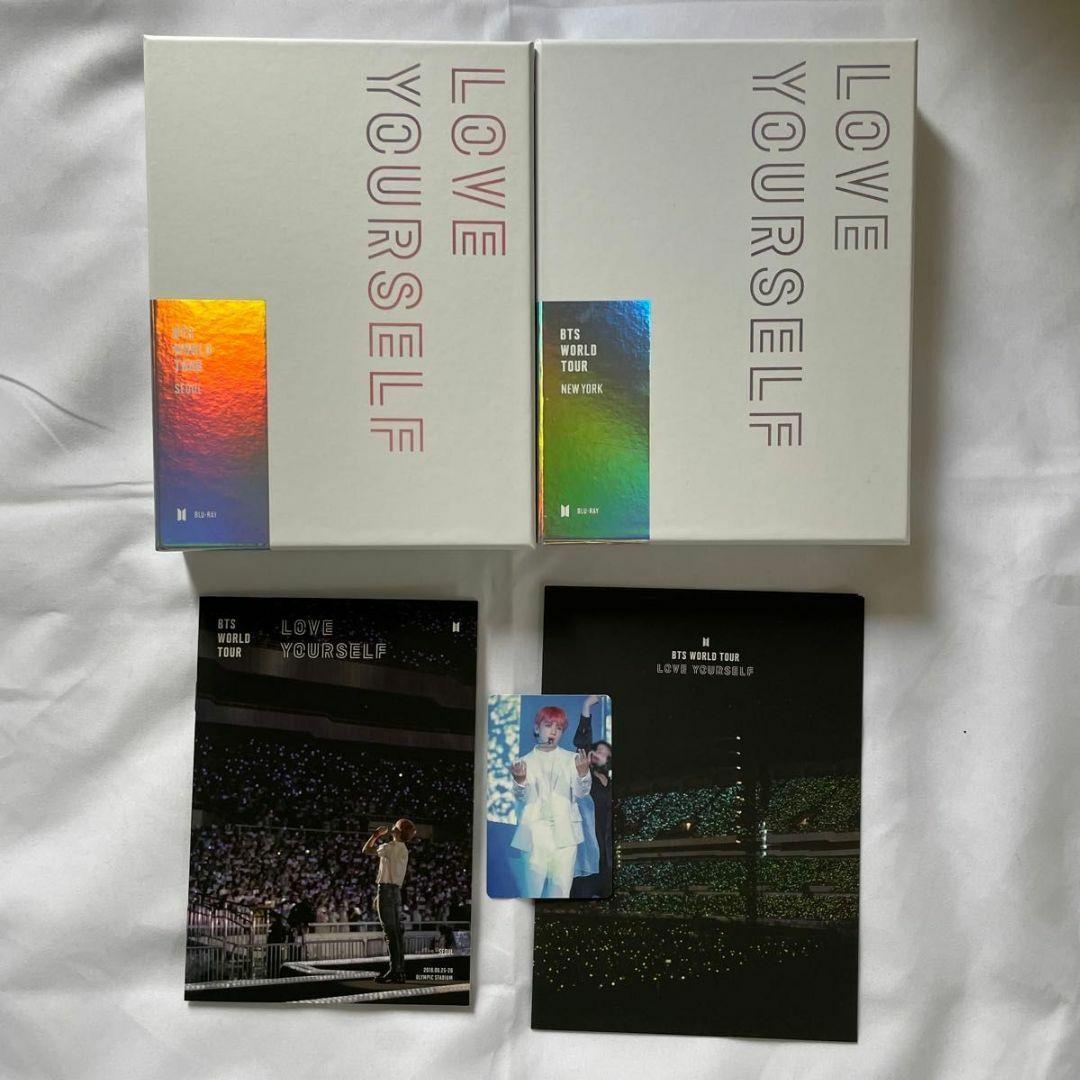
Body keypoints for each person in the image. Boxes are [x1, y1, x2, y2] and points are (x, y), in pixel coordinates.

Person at [510, 704, 592, 898]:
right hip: (535, 835)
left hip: (566, 835)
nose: (553, 731)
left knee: (561, 892)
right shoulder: (523, 762)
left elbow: (581, 793)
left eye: (559, 728)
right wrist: (520, 781)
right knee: (532, 892)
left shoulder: (573, 759)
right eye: (548, 725)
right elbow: (521, 798)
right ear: (537, 728)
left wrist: (582, 774)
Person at [362, 818, 416, 982]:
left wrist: (376, 835)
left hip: (386, 890)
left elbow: (366, 850)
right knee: (397, 932)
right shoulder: (404, 849)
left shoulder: (389, 847)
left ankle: (394, 971)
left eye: (395, 826)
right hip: (396, 891)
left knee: (390, 932)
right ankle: (400, 971)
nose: (393, 826)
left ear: (398, 831)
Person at [571, 695, 614, 898]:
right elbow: (582, 743)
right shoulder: (586, 778)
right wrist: (586, 706)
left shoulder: (612, 785)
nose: (597, 753)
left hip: (608, 860)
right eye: (596, 750)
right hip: (588, 858)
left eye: (603, 752)